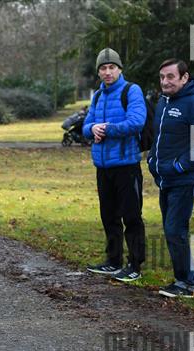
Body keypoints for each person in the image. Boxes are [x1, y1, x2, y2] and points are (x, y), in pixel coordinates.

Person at [149, 59, 194, 298]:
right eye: (162, 77)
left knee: (175, 229)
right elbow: (159, 138)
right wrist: (152, 161)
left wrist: (179, 165)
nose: (165, 82)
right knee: (172, 230)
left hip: (184, 179)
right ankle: (183, 279)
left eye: (170, 76)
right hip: (165, 178)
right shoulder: (164, 101)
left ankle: (187, 283)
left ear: (184, 77)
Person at [81, 48, 147, 283]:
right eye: (103, 68)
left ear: (119, 69)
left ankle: (135, 265)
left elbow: (137, 122)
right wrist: (92, 128)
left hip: (127, 166)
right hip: (103, 166)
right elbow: (85, 126)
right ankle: (113, 261)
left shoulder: (132, 90)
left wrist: (107, 129)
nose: (107, 72)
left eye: (112, 67)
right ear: (98, 72)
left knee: (131, 216)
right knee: (108, 215)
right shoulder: (98, 95)